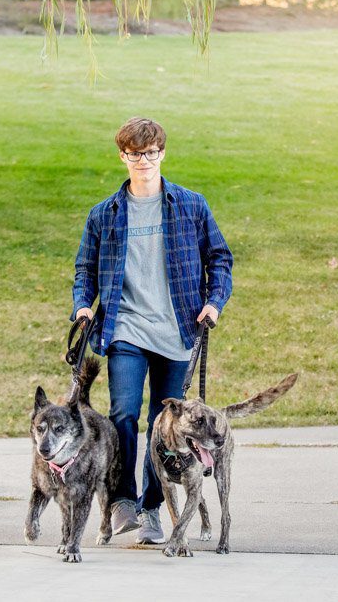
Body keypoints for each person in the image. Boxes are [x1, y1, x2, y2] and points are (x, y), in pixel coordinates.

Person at [71, 116, 233, 544]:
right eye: (134, 153)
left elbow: (220, 258)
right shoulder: (104, 215)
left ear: (162, 152)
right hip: (125, 328)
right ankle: (121, 501)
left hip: (179, 330)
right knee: (124, 411)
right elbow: (84, 269)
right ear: (122, 156)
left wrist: (214, 302)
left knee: (164, 427)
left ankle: (151, 508)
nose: (143, 160)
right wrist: (83, 306)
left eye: (151, 152)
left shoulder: (190, 205)